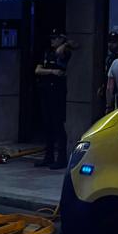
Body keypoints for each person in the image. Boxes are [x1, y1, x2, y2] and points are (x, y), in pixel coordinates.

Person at [35, 29, 75, 169]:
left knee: (58, 125)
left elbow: (61, 53)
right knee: (48, 125)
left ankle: (61, 158)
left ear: (61, 39)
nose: (52, 40)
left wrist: (65, 43)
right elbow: (37, 70)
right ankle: (48, 156)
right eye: (51, 38)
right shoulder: (47, 52)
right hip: (45, 92)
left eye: (55, 38)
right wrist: (52, 71)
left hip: (57, 93)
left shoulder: (64, 53)